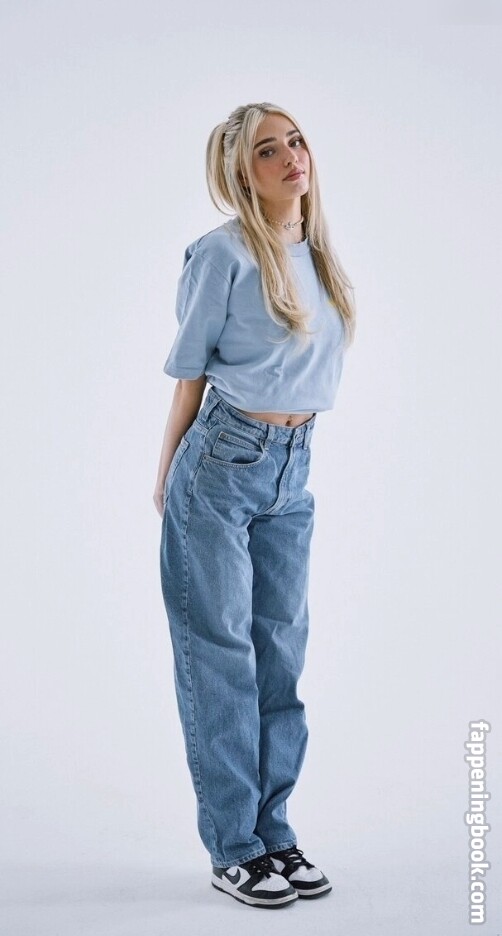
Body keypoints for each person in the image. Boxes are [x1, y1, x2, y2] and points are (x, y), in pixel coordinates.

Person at [154, 101, 356, 909]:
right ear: (242, 172)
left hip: (293, 472)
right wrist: (167, 476)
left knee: (280, 655)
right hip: (222, 463)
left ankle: (274, 832)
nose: (291, 157)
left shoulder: (318, 254)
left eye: (296, 140)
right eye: (269, 150)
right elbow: (189, 377)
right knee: (222, 658)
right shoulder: (222, 254)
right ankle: (234, 846)